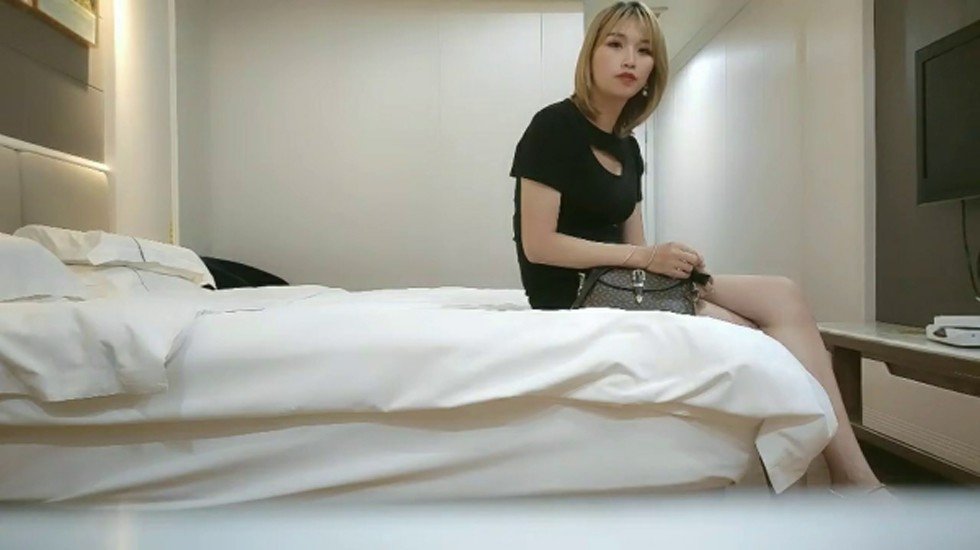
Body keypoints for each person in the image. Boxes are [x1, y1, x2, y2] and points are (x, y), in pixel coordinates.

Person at [510, 0, 885, 493]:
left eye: (644, 51)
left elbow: (637, 244)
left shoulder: (629, 147)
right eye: (616, 44)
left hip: (619, 282)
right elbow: (539, 245)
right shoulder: (552, 127)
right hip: (571, 293)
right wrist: (646, 259)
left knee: (784, 295)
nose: (630, 59)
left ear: (653, 69)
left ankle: (853, 476)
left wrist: (669, 265)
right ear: (591, 55)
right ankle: (842, 480)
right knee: (754, 334)